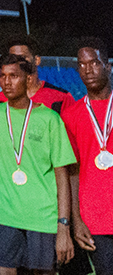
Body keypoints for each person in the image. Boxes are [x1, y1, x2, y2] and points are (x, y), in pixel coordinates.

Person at [0, 53, 75, 274]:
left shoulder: (50, 119)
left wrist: (63, 226)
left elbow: (62, 176)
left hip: (42, 217)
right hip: (5, 216)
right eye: (3, 76)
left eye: (14, 76)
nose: (7, 82)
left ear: (28, 79)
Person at [61, 42, 113, 274]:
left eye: (94, 63)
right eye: (82, 65)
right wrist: (76, 220)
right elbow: (71, 171)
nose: (88, 70)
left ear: (108, 66)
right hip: (94, 217)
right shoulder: (71, 114)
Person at [0, 39, 74, 115]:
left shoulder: (61, 98)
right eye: (13, 59)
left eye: (23, 57)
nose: (18, 63)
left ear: (37, 60)